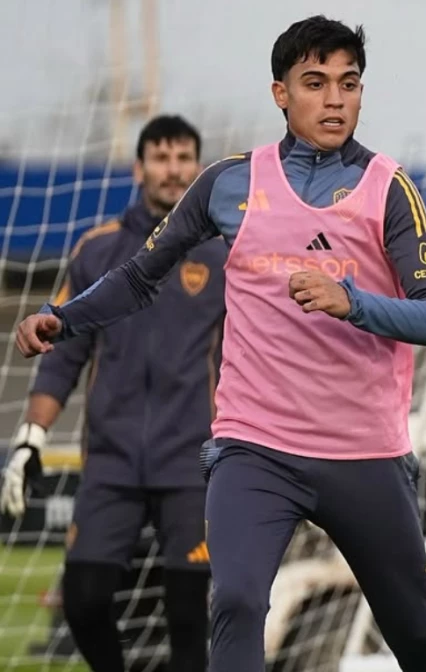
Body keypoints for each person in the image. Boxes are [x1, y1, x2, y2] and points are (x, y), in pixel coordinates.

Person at [13, 16, 426, 672]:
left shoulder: (387, 190)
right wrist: (64, 316)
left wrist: (353, 302)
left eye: (349, 83)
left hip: (363, 455)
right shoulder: (229, 184)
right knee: (239, 601)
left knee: (417, 637)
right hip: (256, 450)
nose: (335, 99)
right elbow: (139, 277)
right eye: (316, 83)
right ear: (281, 94)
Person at [1, 115, 222, 672]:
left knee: (191, 618)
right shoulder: (97, 251)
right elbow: (62, 355)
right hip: (111, 463)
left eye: (183, 159)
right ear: (138, 167)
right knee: (84, 600)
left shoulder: (222, 256)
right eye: (162, 158)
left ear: (197, 168)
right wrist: (30, 437)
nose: (173, 171)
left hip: (192, 465)